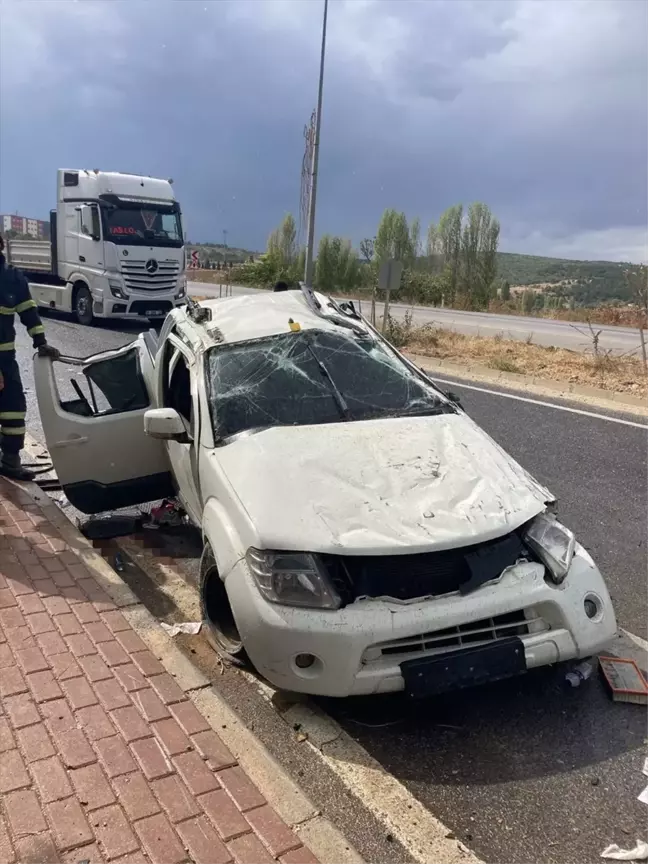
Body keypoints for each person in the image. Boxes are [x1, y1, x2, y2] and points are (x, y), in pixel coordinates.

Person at [0, 233, 60, 480]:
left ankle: (10, 462)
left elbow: (28, 312)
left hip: (6, 359)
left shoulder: (13, 278)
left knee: (13, 410)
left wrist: (41, 342)